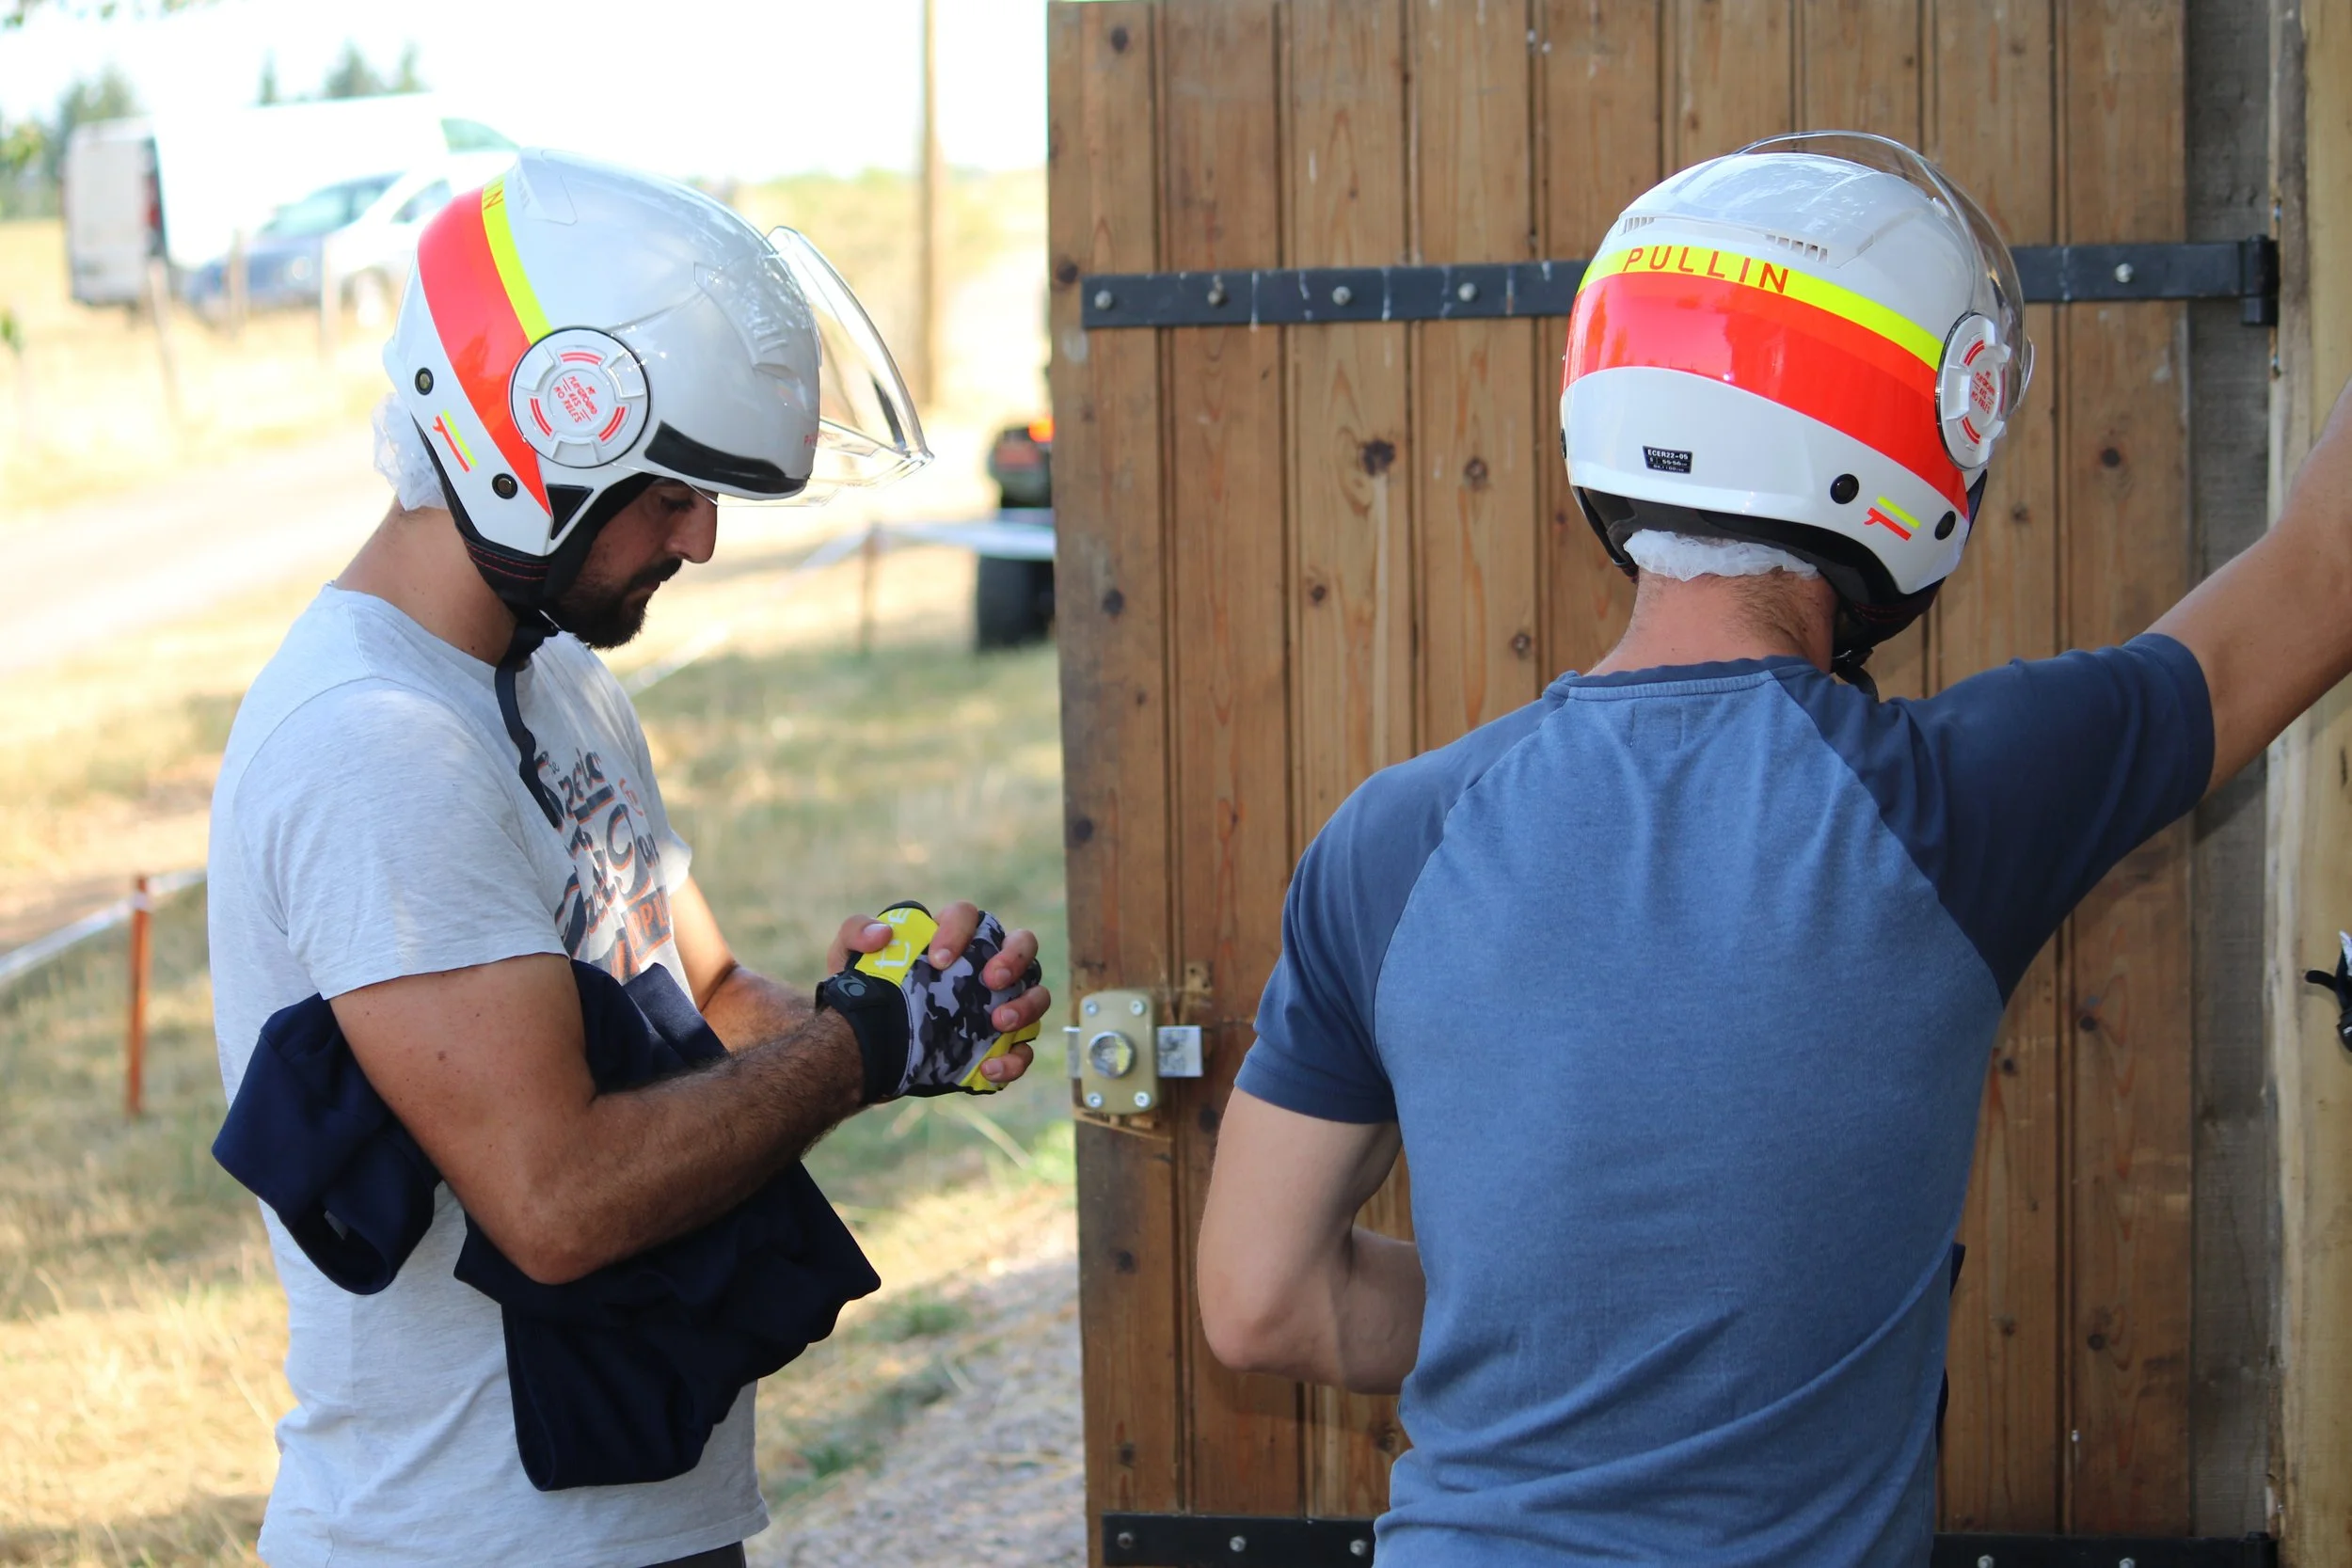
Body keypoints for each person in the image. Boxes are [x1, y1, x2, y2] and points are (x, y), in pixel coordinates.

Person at [1198, 131, 2351, 1565]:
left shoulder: (1391, 838)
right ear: (1914, 450)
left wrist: (1567, 1323)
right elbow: (2322, 570)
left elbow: (1257, 1299)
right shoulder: (1959, 804)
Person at [207, 150, 1052, 1568]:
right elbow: (559, 1197)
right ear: (522, 451)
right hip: (475, 1538)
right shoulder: (377, 743)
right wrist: (852, 1048)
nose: (704, 539)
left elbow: (705, 1000)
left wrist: (901, 1017)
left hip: (631, 1507)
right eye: (670, 493)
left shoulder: (550, 680)